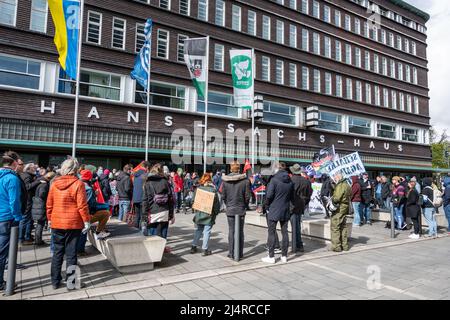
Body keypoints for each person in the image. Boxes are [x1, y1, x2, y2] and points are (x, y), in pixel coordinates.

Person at [46, 158, 91, 290]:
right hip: (73, 223)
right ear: (75, 169)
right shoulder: (78, 184)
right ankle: (71, 283)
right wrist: (86, 221)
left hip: (57, 222)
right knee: (71, 254)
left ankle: (55, 281)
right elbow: (82, 206)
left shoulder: (54, 183)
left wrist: (49, 219)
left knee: (57, 253)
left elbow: (49, 204)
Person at [262, 162, 294, 264]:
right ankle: (284, 256)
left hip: (274, 209)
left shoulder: (274, 180)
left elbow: (269, 195)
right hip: (285, 209)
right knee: (285, 232)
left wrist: (266, 206)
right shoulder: (290, 181)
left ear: (277, 169)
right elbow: (292, 197)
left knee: (271, 232)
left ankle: (271, 256)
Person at [0, 151, 23, 291]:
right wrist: (18, 217)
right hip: (7, 219)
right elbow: (14, 202)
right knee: (2, 253)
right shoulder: (12, 178)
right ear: (14, 162)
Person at [221, 161, 251, 260]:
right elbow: (247, 196)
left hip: (230, 208)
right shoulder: (245, 181)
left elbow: (223, 196)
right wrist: (245, 206)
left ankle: (231, 252)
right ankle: (240, 253)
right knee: (240, 231)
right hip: (240, 208)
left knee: (231, 231)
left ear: (230, 168)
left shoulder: (225, 181)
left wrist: (228, 205)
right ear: (239, 169)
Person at [77, 169, 111, 257]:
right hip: (83, 215)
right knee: (106, 213)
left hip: (74, 214)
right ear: (89, 178)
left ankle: (78, 249)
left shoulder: (76, 184)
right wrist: (104, 205)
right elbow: (90, 205)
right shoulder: (88, 189)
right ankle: (98, 232)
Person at [141, 163, 175, 245]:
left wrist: (144, 215)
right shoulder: (165, 182)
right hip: (164, 211)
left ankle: (154, 251)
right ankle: (162, 250)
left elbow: (145, 200)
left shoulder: (148, 183)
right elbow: (171, 199)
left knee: (152, 233)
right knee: (163, 232)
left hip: (152, 211)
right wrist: (171, 214)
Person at [190, 173, 220, 256]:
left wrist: (196, 209)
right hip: (209, 214)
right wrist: (216, 213)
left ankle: (193, 246)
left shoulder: (198, 189)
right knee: (207, 231)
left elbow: (192, 201)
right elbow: (217, 205)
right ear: (210, 180)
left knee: (198, 230)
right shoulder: (213, 190)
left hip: (199, 213)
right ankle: (204, 249)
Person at [289, 164, 312, 253]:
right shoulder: (306, 181)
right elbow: (309, 195)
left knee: (295, 227)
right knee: (297, 226)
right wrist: (304, 203)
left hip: (292, 206)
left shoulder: (290, 181)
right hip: (301, 205)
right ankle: (299, 245)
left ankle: (295, 247)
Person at [19, 162, 41, 245]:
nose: (35, 168)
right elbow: (27, 187)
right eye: (33, 168)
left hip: (28, 200)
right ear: (28, 169)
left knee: (28, 219)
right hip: (27, 200)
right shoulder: (27, 176)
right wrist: (38, 181)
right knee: (25, 219)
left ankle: (27, 237)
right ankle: (21, 238)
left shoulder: (27, 175)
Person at [31, 172, 56, 246]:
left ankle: (37, 239)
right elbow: (42, 194)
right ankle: (38, 240)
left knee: (39, 223)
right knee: (40, 224)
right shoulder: (44, 184)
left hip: (38, 205)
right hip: (41, 206)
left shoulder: (41, 182)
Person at [330, 171, 351, 252]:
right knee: (343, 226)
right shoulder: (347, 184)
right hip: (345, 207)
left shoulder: (340, 185)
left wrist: (332, 199)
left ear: (338, 177)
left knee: (335, 227)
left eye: (335, 177)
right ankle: (344, 246)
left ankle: (336, 246)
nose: (334, 179)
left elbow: (337, 198)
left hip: (339, 208)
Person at [132, 161, 150, 228]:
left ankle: (135, 230)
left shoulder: (135, 174)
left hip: (136, 198)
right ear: (147, 167)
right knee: (143, 216)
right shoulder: (146, 174)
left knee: (137, 216)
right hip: (143, 198)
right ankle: (142, 231)